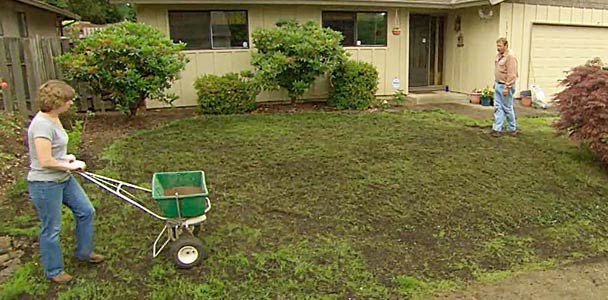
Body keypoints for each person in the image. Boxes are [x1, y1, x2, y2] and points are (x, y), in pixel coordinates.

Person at [27, 80, 104, 284]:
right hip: (45, 184)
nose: (71, 103)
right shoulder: (42, 124)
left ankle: (84, 252)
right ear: (56, 102)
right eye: (68, 100)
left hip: (62, 178)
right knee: (51, 228)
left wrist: (67, 157)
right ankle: (54, 271)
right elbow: (44, 161)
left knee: (86, 211)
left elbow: (55, 151)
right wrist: (71, 166)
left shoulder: (54, 118)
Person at [492, 37, 519, 137]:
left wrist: (507, 87)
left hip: (506, 86)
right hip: (499, 84)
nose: (498, 48)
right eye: (497, 46)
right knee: (498, 107)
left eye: (500, 46)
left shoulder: (510, 57)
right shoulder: (499, 56)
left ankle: (512, 128)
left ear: (506, 46)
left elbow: (512, 74)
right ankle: (497, 129)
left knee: (507, 108)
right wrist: (496, 82)